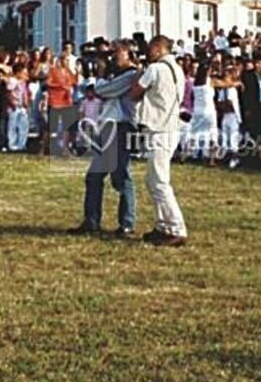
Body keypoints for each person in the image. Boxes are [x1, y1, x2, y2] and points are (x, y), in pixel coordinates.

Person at [70, 41, 139, 238]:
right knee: (94, 176)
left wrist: (98, 79)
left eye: (117, 52)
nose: (112, 56)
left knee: (122, 178)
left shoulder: (131, 75)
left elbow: (103, 91)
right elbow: (87, 90)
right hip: (108, 128)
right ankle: (91, 221)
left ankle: (127, 223)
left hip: (121, 127)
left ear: (129, 54)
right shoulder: (115, 74)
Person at [131, 35, 188, 247]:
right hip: (170, 126)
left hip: (159, 128)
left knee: (159, 181)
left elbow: (134, 93)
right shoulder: (178, 70)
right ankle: (162, 224)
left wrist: (138, 75)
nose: (148, 52)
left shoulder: (155, 69)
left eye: (151, 48)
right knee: (154, 179)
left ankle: (175, 227)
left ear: (158, 48)